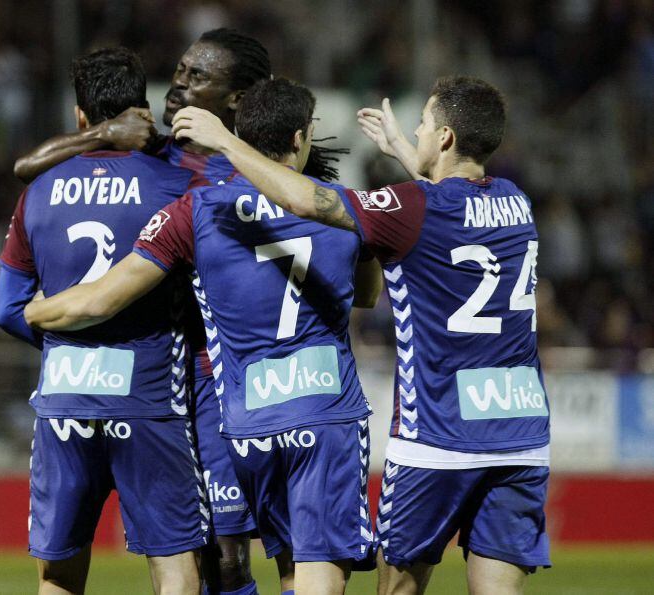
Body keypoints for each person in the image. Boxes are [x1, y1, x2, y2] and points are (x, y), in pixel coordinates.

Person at [171, 75, 551, 595]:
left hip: (439, 437)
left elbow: (310, 202)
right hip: (521, 432)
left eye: (422, 125)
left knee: (397, 587)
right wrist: (401, 149)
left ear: (444, 138)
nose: (413, 132)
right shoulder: (517, 204)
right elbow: (449, 199)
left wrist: (226, 141)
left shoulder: (412, 208)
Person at [24, 78, 383, 595]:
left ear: (238, 131)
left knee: (235, 564)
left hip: (248, 424)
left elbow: (100, 299)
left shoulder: (193, 212)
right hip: (325, 415)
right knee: (311, 575)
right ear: (303, 137)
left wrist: (38, 310)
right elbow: (366, 295)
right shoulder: (345, 208)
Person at [14, 29, 273, 595]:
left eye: (198, 75)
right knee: (188, 555)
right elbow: (28, 166)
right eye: (180, 69)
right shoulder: (155, 158)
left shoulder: (251, 174)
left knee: (229, 559)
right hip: (165, 376)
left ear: (236, 98)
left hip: (220, 382)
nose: (179, 81)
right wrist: (103, 134)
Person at [0, 47, 206, 595]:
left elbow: (5, 309)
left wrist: (65, 336)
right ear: (141, 110)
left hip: (63, 399)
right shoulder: (177, 183)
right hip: (150, 398)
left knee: (59, 573)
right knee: (175, 566)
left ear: (80, 117)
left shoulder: (37, 190)